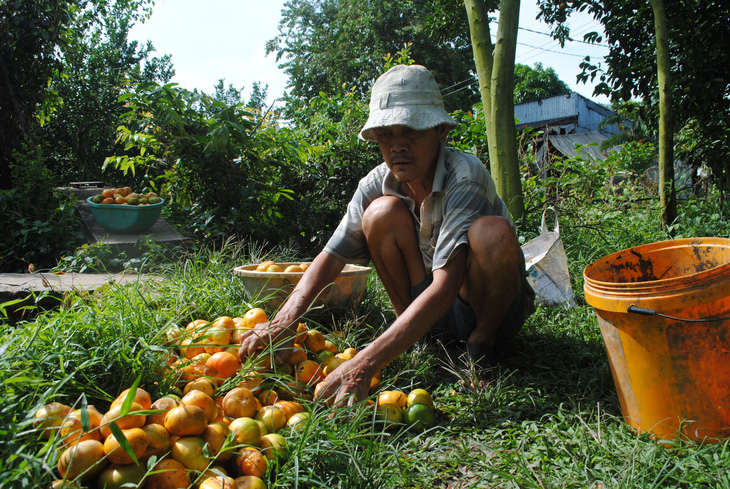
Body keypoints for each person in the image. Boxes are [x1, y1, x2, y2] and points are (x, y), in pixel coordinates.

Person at [238, 64, 534, 405]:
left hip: (488, 306)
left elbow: (446, 284)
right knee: (380, 212)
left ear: (440, 131)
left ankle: (480, 345)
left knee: (492, 232)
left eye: (410, 131)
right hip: (429, 311)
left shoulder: (465, 176)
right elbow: (331, 257)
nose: (397, 147)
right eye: (385, 135)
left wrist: (364, 362)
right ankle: (413, 334)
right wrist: (284, 321)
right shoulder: (377, 182)